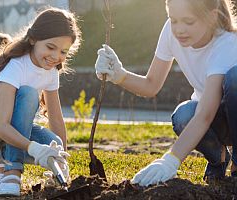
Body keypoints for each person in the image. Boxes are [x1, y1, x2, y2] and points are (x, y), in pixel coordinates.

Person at [95, 0, 237, 186]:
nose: (179, 29)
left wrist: (170, 159)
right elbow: (151, 85)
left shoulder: (227, 43)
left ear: (211, 17)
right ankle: (218, 159)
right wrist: (119, 75)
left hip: (228, 113)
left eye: (188, 21)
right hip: (212, 116)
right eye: (174, 20)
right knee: (183, 116)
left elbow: (204, 115)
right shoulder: (171, 30)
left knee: (235, 79)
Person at [0, 8, 81, 196]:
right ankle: (12, 172)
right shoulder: (16, 65)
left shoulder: (51, 71)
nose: (56, 56)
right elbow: (2, 126)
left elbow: (56, 120)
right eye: (50, 47)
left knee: (53, 143)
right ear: (33, 39)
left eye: (63, 51)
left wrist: (61, 160)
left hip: (7, 127)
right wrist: (34, 149)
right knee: (28, 93)